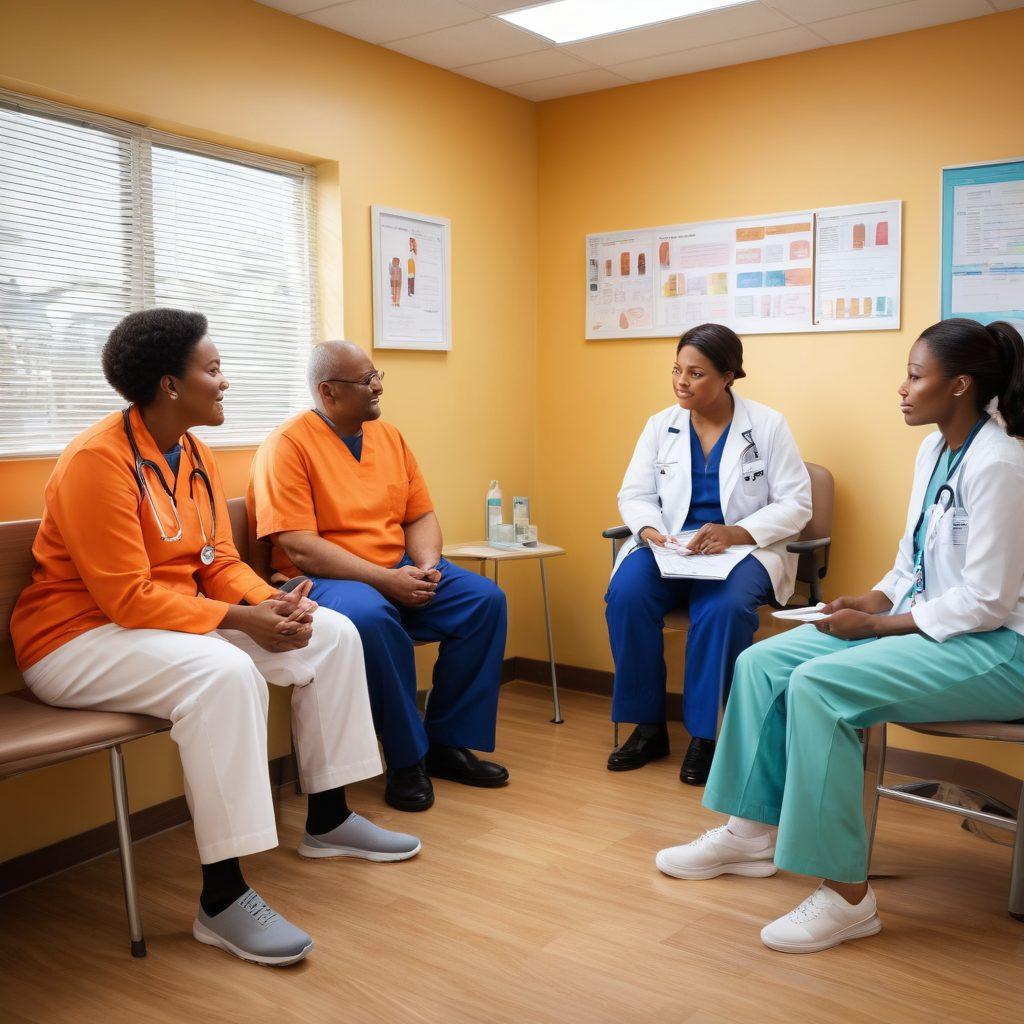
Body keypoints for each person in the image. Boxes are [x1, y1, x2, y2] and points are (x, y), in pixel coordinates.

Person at [11, 309, 420, 968]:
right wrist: (240, 620)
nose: (226, 381)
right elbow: (126, 598)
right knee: (223, 675)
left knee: (331, 633)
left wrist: (271, 604)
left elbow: (218, 562)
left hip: (167, 624)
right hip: (77, 639)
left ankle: (330, 819)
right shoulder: (97, 461)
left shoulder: (194, 452)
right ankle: (223, 900)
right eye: (214, 369)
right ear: (171, 385)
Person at [656, 318, 1024, 953]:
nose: (902, 388)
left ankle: (848, 898)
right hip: (932, 624)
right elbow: (913, 562)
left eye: (915, 376)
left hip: (1000, 649)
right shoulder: (936, 450)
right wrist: (874, 598)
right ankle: (748, 835)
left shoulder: (1000, 463)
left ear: (960, 386)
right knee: (763, 664)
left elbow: (987, 602)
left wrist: (878, 625)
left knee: (819, 687)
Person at [248, 341, 508, 813]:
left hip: (395, 569)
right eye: (366, 380)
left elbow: (419, 514)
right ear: (328, 391)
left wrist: (426, 568)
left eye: (376, 375)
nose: (378, 387)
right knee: (373, 617)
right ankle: (407, 759)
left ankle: (448, 743)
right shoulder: (286, 447)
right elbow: (300, 546)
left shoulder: (388, 437)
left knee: (483, 601)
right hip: (317, 578)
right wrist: (386, 581)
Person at [606, 323, 811, 784]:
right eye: (677, 370)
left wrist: (735, 532)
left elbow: (797, 504)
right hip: (671, 547)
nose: (682, 382)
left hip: (742, 549)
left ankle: (707, 734)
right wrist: (651, 530)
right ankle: (648, 727)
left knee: (721, 609)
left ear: (728, 377)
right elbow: (635, 493)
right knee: (627, 595)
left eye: (696, 373)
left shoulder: (767, 426)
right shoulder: (660, 425)